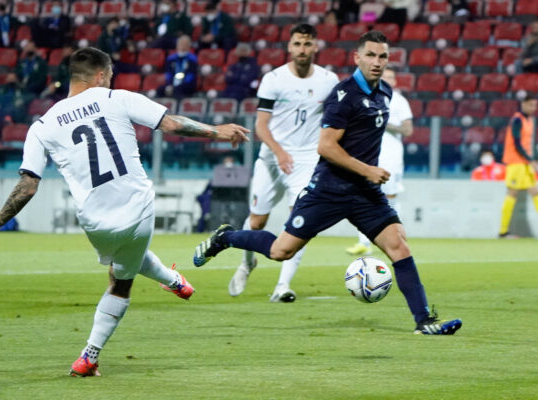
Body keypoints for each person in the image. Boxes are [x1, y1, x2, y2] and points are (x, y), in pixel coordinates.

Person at [0, 47, 249, 377]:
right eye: (110, 76)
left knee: (123, 259)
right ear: (101, 75)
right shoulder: (117, 98)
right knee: (121, 279)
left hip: (94, 221)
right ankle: (89, 356)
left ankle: (175, 282)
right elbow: (172, 124)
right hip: (138, 207)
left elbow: (28, 185)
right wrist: (216, 131)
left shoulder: (42, 125)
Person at [194, 31, 463, 335]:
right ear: (357, 57)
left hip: (365, 193)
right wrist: (368, 170)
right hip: (330, 190)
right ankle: (226, 238)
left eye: (382, 56)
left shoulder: (385, 93)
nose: (377, 62)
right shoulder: (343, 95)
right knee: (281, 251)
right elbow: (326, 147)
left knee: (399, 246)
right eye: (370, 55)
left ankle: (423, 321)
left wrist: (367, 176)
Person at [226, 24, 339, 303]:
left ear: (316, 47)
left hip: (307, 159)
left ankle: (282, 286)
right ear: (289, 47)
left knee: (299, 221)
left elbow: (334, 120)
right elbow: (261, 126)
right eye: (297, 44)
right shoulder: (274, 79)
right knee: (257, 220)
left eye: (307, 44)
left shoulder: (329, 80)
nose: (302, 49)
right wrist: (279, 152)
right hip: (272, 156)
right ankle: (247, 263)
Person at [346, 66, 413, 256]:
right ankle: (364, 243)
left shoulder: (399, 101)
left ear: (395, 81)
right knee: (364, 195)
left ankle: (396, 238)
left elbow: (407, 130)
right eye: (385, 77)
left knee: (390, 196)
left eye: (391, 77)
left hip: (391, 156)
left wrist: (382, 121)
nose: (387, 80)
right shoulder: (367, 97)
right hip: (368, 154)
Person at [498, 93, 538, 238]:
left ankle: (503, 231)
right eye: (531, 105)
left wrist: (533, 158)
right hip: (515, 162)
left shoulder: (530, 120)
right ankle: (503, 231)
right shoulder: (517, 120)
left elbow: (527, 144)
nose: (533, 108)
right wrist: (531, 159)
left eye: (535, 105)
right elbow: (517, 144)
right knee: (512, 193)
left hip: (525, 162)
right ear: (523, 104)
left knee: (535, 192)